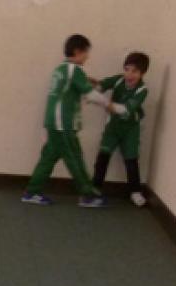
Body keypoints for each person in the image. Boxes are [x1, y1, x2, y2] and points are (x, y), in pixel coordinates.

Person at [21, 34, 108, 207]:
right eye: (86, 53)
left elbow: (72, 86)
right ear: (77, 51)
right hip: (63, 124)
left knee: (49, 157)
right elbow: (90, 94)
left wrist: (87, 80)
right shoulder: (74, 70)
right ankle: (87, 195)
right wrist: (110, 105)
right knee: (74, 158)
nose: (88, 57)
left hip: (52, 121)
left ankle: (31, 192)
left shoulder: (61, 69)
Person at [92, 52, 151, 207]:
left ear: (142, 73)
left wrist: (104, 103)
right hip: (113, 127)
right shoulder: (118, 79)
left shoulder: (142, 90)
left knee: (131, 159)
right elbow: (101, 85)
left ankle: (135, 191)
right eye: (127, 69)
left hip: (131, 129)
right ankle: (95, 189)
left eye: (134, 71)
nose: (129, 74)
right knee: (103, 156)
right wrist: (93, 90)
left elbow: (126, 110)